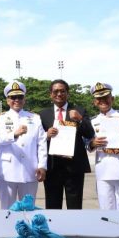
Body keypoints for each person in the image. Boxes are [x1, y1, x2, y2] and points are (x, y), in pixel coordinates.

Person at [39, 79, 94, 209]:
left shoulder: (78, 110)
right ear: (50, 94)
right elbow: (37, 139)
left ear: (67, 93)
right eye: (56, 91)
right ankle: (53, 228)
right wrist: (46, 135)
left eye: (62, 91)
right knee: (52, 205)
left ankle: (73, 229)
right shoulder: (42, 114)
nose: (59, 94)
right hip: (52, 167)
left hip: (74, 167)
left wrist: (80, 119)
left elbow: (89, 133)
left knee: (74, 205)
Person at [0, 81, 47, 210]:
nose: (16, 100)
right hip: (7, 171)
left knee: (28, 208)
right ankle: (7, 230)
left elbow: (41, 143)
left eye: (20, 97)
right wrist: (14, 134)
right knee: (7, 209)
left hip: (30, 170)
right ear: (7, 100)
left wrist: (42, 166)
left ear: (24, 99)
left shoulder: (34, 118)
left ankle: (27, 230)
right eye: (13, 97)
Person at [87, 82, 119, 210]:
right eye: (99, 99)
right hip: (103, 170)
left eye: (106, 97)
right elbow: (88, 145)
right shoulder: (93, 121)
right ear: (95, 102)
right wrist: (93, 143)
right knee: (106, 210)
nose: (103, 101)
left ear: (112, 99)